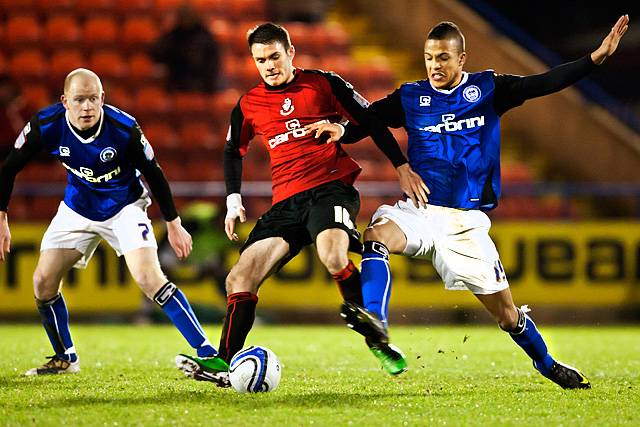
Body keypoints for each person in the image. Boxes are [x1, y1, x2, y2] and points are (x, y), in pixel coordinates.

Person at [307, 15, 630, 389]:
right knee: (376, 236)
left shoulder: (488, 89)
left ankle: (546, 363)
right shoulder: (411, 96)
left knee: (508, 316)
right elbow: (370, 118)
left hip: (465, 223)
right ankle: (376, 319)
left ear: (462, 59)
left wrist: (595, 59)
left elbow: (542, 83)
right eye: (429, 57)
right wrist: (343, 129)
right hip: (421, 209)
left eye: (443, 57)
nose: (434, 65)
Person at [176, 22, 428, 384]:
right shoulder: (249, 104)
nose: (270, 65)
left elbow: (370, 120)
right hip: (287, 203)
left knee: (332, 256)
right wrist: (233, 200)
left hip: (330, 188)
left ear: (290, 53)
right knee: (239, 276)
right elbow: (233, 150)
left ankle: (377, 338)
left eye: (275, 56)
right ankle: (222, 361)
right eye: (261, 59)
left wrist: (401, 167)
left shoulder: (323, 84)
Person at [0, 68, 227, 383]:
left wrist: (174, 222)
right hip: (77, 208)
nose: (87, 107)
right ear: (65, 101)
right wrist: (2, 217)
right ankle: (65, 357)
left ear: (102, 99)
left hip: (125, 206)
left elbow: (154, 172)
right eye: (79, 100)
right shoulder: (45, 125)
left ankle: (209, 356)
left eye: (93, 99)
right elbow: (8, 167)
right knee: (42, 282)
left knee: (150, 278)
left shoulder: (123, 127)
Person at [150, 4, 220, 93]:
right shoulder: (174, 34)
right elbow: (157, 53)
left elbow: (212, 66)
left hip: (200, 87)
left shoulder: (204, 35)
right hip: (177, 86)